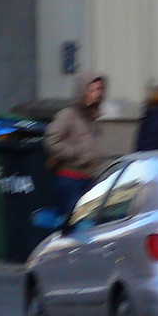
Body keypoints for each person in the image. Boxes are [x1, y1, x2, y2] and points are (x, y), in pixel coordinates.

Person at [45, 74, 106, 215]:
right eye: (92, 90)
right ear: (83, 92)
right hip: (70, 179)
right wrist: (76, 153)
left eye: (99, 89)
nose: (97, 94)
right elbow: (51, 141)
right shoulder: (68, 115)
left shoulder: (92, 118)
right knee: (72, 223)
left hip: (89, 178)